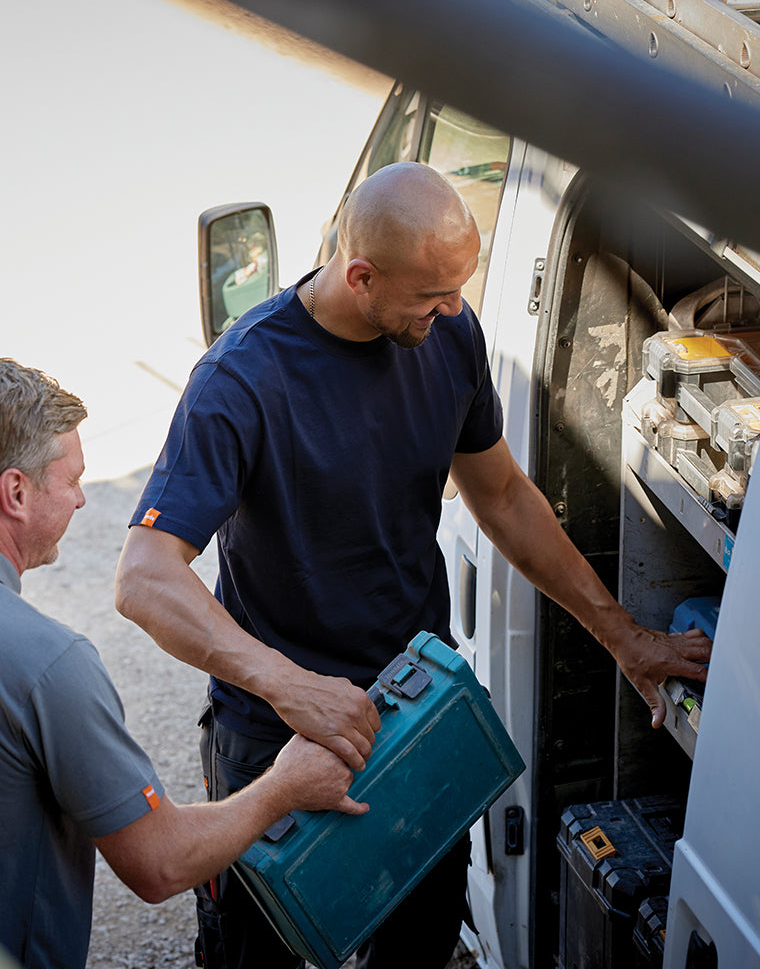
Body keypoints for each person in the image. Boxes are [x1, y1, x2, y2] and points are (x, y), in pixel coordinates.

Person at [114, 162, 713, 969]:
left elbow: (500, 495)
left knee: (420, 946)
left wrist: (621, 635)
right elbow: (144, 576)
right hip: (281, 743)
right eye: (433, 294)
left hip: (415, 715)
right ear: (361, 276)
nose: (455, 311)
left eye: (460, 288)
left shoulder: (448, 335)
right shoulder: (243, 379)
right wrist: (292, 687)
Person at [0, 358, 365, 969]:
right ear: (15, 492)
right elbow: (159, 864)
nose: (82, 499)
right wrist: (284, 787)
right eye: (70, 479)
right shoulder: (47, 661)